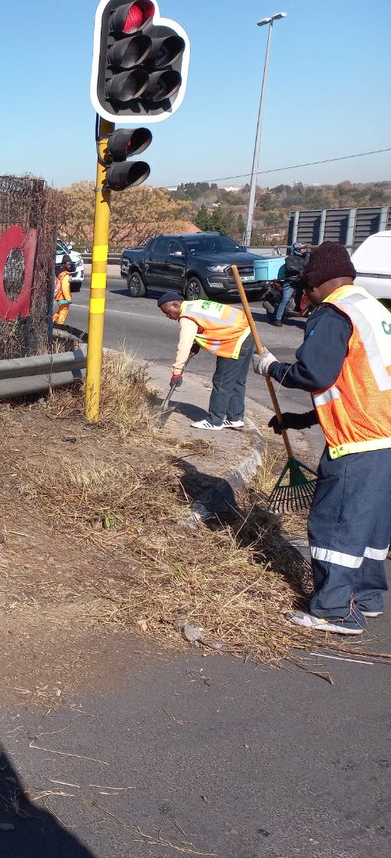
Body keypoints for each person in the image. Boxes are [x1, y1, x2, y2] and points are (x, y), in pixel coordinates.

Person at [254, 241, 391, 635]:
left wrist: (274, 368)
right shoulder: (373, 310)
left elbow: (314, 374)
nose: (304, 296)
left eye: (305, 289)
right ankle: (366, 597)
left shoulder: (334, 315)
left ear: (318, 283)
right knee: (369, 527)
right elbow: (357, 387)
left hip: (359, 445)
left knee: (336, 526)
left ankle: (334, 610)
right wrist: (301, 419)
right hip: (383, 439)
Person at [157, 291, 254, 430]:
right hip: (247, 333)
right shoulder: (195, 304)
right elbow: (208, 323)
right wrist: (197, 344)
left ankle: (214, 421)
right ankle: (235, 417)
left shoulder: (187, 317)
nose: (168, 316)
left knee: (222, 382)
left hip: (233, 340)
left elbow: (183, 346)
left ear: (175, 304)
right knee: (237, 380)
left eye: (167, 312)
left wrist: (176, 373)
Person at [273, 241, 310, 326]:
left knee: (308, 296)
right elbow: (290, 268)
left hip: (302, 280)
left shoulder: (307, 257)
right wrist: (300, 271)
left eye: (305, 248)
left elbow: (311, 265)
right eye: (302, 249)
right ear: (297, 250)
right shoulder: (290, 258)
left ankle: (299, 310)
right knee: (285, 299)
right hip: (291, 281)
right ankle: (277, 318)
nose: (305, 250)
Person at [53, 255, 74, 326]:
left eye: (70, 264)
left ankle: (51, 322)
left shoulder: (60, 273)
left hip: (58, 296)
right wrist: (68, 299)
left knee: (60, 311)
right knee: (63, 312)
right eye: (68, 264)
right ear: (64, 264)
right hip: (63, 297)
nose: (69, 266)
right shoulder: (66, 275)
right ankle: (59, 326)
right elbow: (65, 288)